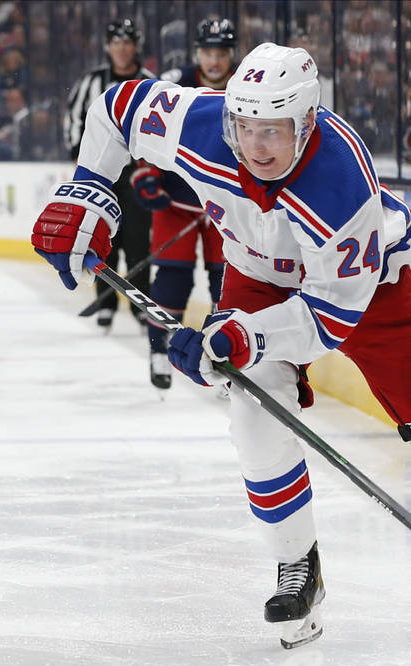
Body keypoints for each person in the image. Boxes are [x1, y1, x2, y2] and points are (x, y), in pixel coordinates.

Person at [30, 42, 411, 649]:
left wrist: (236, 337)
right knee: (255, 417)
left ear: (306, 121)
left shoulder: (339, 181)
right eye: (244, 126)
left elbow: (329, 318)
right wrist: (87, 192)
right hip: (258, 277)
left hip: (369, 292)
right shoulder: (199, 125)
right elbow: (115, 107)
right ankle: (298, 567)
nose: (255, 145)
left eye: (273, 131)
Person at [130, 18, 236, 389]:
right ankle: (159, 349)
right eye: (208, 52)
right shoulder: (175, 84)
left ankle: (227, 362)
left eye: (221, 53)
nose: (214, 60)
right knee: (173, 277)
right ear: (197, 54)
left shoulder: (247, 87)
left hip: (227, 206)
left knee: (227, 283)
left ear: (230, 55)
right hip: (177, 201)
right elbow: (151, 132)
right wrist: (146, 176)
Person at [63, 18, 156, 330]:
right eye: (116, 42)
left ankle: (140, 304)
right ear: (108, 47)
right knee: (103, 239)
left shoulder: (150, 83)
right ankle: (106, 301)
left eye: (127, 42)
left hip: (136, 175)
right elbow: (74, 119)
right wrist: (80, 156)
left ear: (136, 46)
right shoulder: (90, 82)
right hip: (101, 176)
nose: (122, 48)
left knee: (138, 241)